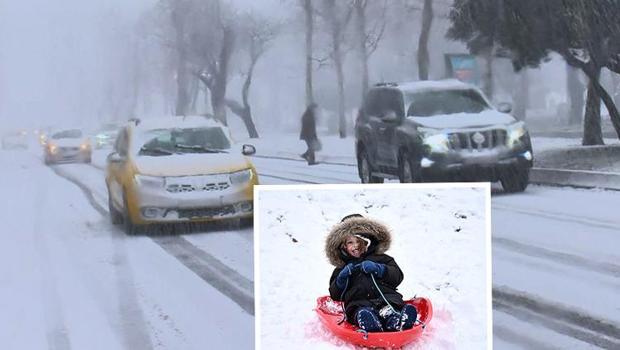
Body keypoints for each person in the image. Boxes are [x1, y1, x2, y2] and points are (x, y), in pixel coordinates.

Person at [325, 214, 418, 332]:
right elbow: (335, 294)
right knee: (362, 312)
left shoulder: (382, 258)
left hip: (386, 299)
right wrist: (341, 279)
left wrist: (380, 269)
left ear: (367, 242)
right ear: (343, 246)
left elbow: (397, 277)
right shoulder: (342, 268)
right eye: (350, 242)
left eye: (359, 241)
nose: (356, 246)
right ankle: (369, 323)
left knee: (390, 309)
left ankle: (397, 321)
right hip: (359, 304)